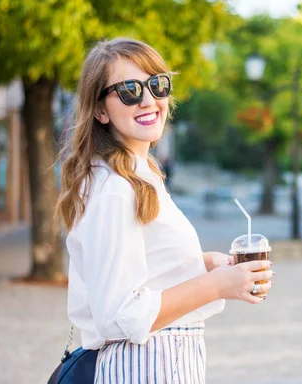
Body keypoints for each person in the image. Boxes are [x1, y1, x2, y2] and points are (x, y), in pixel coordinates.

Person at [54, 38, 274, 383]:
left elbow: (139, 270)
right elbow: (120, 314)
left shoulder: (138, 175)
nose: (148, 99)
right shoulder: (114, 188)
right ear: (100, 110)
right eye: (128, 89)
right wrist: (216, 285)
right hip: (142, 366)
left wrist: (203, 265)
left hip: (164, 363)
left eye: (157, 84)